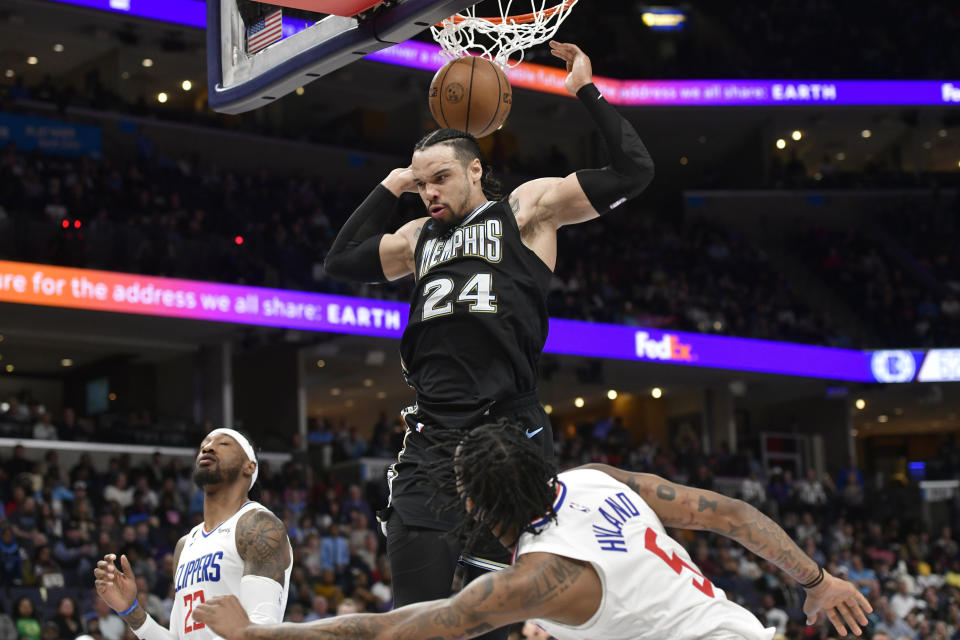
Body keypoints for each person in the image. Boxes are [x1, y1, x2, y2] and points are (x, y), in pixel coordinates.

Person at [322, 40, 654, 636]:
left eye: (441, 178)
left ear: (476, 169)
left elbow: (635, 171)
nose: (431, 193)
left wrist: (584, 89)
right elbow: (340, 261)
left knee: (495, 620)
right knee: (413, 619)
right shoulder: (418, 236)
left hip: (506, 432)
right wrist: (390, 184)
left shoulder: (525, 212)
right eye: (423, 184)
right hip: (429, 437)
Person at [194, 421, 872, 640]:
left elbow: (392, 629)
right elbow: (730, 515)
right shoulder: (595, 478)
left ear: (486, 509)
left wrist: (261, 634)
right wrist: (816, 580)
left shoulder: (540, 577)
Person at [93, 428, 293, 639]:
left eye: (223, 444)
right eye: (203, 446)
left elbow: (262, 630)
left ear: (249, 466)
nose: (208, 447)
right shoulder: (185, 544)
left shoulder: (257, 525)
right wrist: (131, 610)